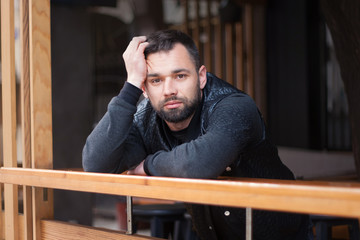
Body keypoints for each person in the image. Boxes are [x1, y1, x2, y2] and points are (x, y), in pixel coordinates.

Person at [82, 29, 311, 240]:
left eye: (180, 76)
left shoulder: (234, 107)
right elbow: (96, 163)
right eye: (156, 80)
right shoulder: (147, 117)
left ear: (201, 77)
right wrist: (131, 84)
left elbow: (200, 164)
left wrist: (150, 164)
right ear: (145, 88)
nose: (169, 90)